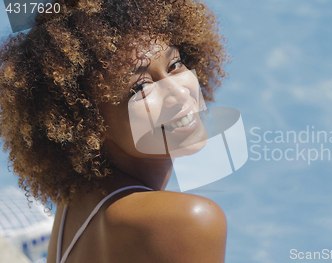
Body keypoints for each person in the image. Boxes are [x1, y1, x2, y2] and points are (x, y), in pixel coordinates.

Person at [0, 0, 228, 262]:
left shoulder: (79, 199)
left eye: (174, 64)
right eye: (140, 87)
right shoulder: (186, 221)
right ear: (87, 121)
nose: (179, 92)